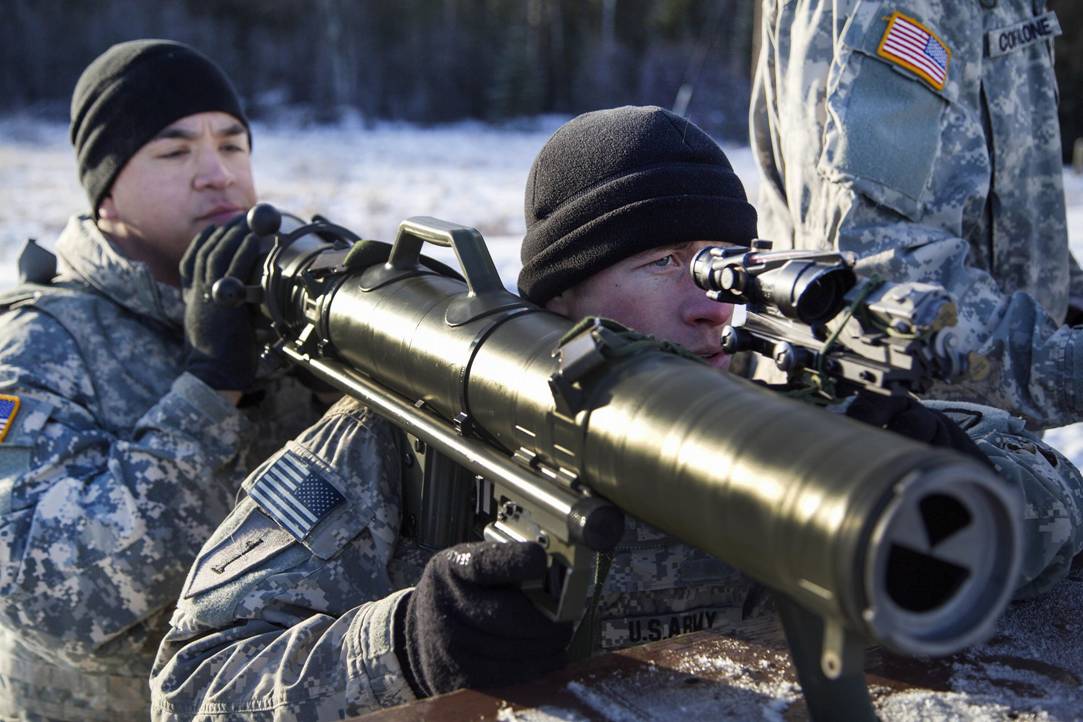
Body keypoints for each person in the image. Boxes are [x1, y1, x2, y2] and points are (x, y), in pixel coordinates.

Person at [149, 106, 1083, 720]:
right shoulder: (413, 436)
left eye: (724, 262)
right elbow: (191, 685)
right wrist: (405, 639)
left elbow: (1053, 505)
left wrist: (946, 467)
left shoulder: (785, 388)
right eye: (661, 262)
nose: (711, 300)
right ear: (560, 297)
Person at [0, 40, 327, 720]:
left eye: (233, 146)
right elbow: (42, 599)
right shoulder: (34, 346)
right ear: (107, 186)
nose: (217, 175)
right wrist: (209, 391)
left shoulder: (279, 313)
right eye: (174, 153)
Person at [750, 1, 1078, 429]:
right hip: (901, 449)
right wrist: (1066, 366)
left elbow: (1014, 220)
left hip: (970, 444)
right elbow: (881, 282)